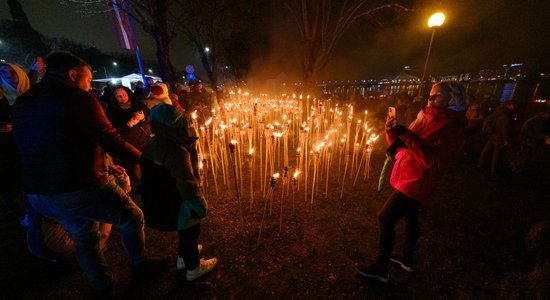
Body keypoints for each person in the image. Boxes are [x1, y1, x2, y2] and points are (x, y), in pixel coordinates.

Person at [11, 51, 161, 293]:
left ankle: (101, 285)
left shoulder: (24, 102)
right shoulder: (77, 98)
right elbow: (109, 138)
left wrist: (104, 163)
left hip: (40, 192)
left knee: (83, 234)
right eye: (89, 80)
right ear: (73, 74)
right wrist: (145, 159)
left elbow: (51, 142)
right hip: (77, 185)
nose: (90, 85)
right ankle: (141, 268)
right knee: (131, 217)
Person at [356, 81, 467, 283]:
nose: (431, 99)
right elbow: (402, 146)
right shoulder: (424, 117)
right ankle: (407, 259)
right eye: (430, 95)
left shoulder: (453, 127)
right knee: (411, 217)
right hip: (407, 173)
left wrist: (406, 134)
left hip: (418, 182)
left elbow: (435, 162)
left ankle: (381, 269)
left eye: (438, 96)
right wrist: (391, 131)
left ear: (453, 98)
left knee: (385, 218)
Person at [140, 103, 218, 281]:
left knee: (184, 231)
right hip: (178, 200)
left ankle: (183, 258)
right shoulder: (175, 150)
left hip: (159, 200)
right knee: (190, 231)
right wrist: (198, 202)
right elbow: (186, 181)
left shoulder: (152, 144)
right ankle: (194, 267)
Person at [0, 60, 43, 216]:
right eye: (4, 73)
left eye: (11, 71)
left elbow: (29, 82)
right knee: (12, 181)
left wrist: (35, 69)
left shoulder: (31, 91)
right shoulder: (2, 95)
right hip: (8, 146)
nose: (9, 75)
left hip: (33, 140)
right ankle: (23, 213)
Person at [477, 100, 517, 173]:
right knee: (496, 153)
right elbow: (505, 128)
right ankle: (493, 168)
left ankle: (480, 163)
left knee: (486, 149)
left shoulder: (498, 110)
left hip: (492, 133)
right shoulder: (507, 114)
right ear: (509, 105)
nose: (514, 107)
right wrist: (506, 139)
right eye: (513, 105)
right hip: (499, 136)